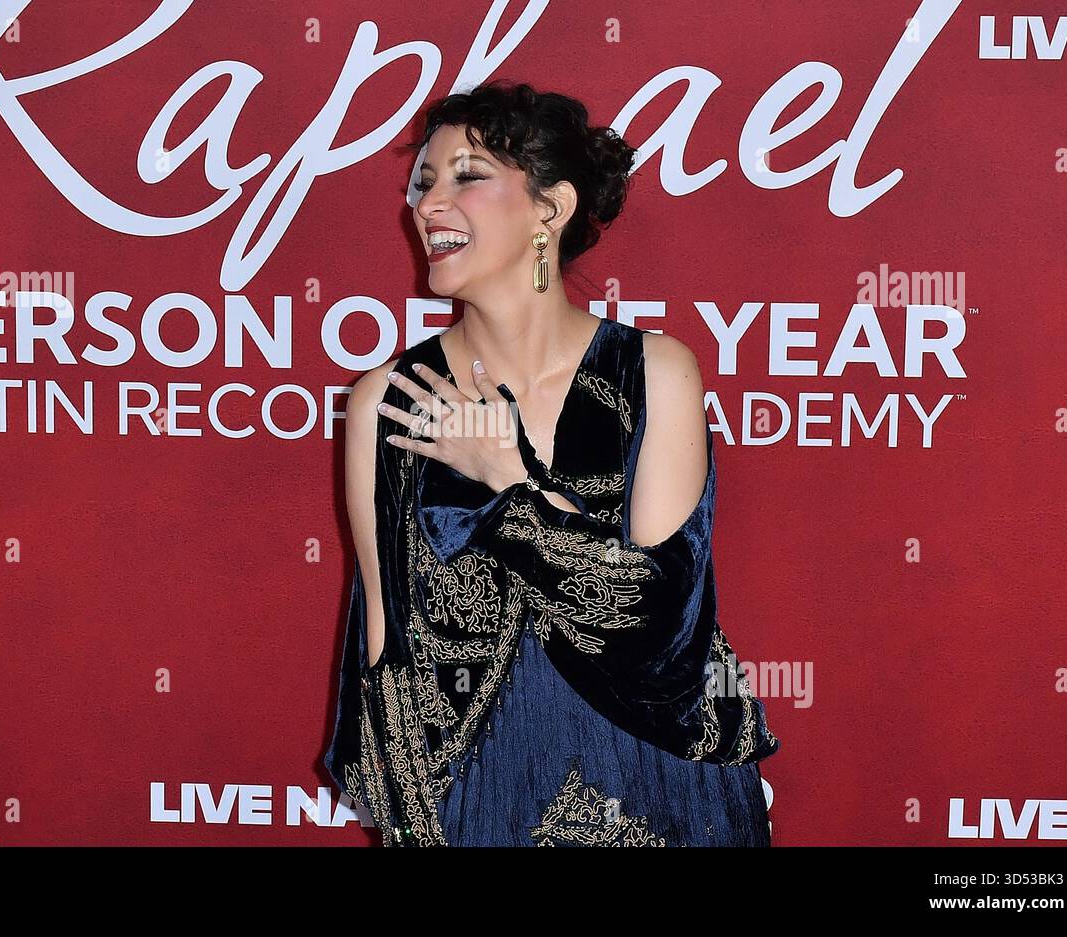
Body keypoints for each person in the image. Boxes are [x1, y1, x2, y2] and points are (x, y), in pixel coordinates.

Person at [325, 80, 780, 846]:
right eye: (425, 181)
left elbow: (661, 628)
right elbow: (384, 645)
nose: (429, 203)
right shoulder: (387, 401)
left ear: (551, 208)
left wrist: (511, 485)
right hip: (475, 795)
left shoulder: (654, 375)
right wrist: (411, 825)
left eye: (467, 176)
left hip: (658, 777)